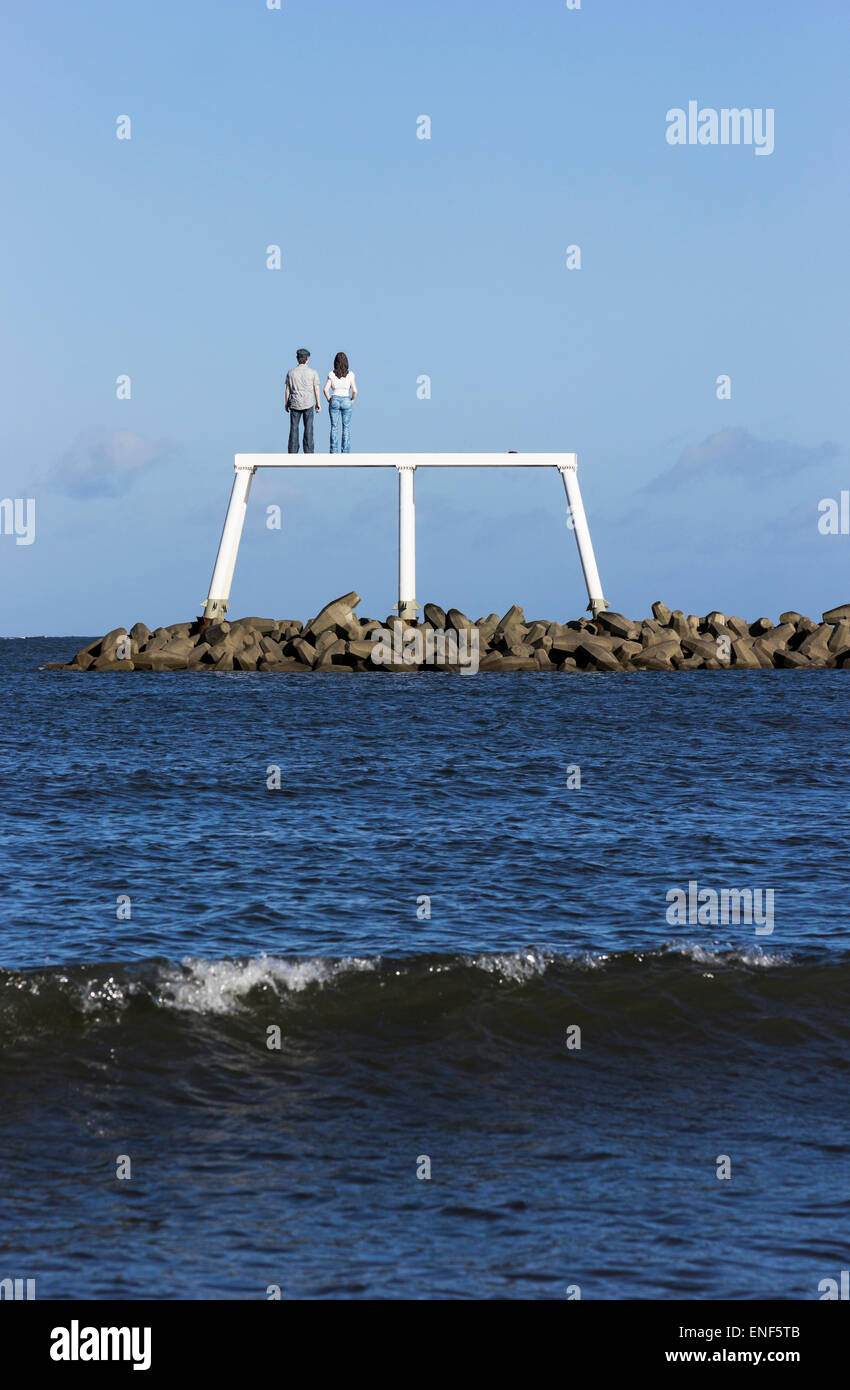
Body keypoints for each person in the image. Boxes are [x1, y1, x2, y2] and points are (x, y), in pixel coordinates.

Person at [285, 348, 322, 453]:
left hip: (295, 402)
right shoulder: (313, 372)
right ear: (307, 359)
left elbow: (287, 389)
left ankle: (292, 450)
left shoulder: (290, 372)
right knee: (309, 427)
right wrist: (318, 403)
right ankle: (309, 451)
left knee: (294, 427)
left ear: (297, 358)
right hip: (309, 402)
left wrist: (286, 403)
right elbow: (316, 388)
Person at [324, 351, 358, 453]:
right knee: (346, 427)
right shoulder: (350, 374)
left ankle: (333, 450)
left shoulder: (331, 374)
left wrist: (329, 399)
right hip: (346, 399)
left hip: (334, 398)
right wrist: (352, 400)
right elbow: (355, 390)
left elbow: (325, 389)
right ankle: (345, 451)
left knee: (334, 427)